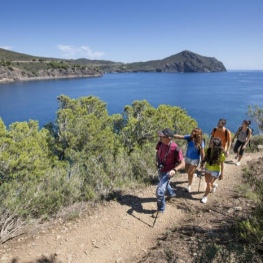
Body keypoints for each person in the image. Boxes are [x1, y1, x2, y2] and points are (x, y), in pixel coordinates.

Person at [152, 128, 185, 218]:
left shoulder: (176, 149)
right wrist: (157, 161)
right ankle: (171, 194)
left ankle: (160, 209)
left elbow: (183, 163)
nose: (160, 137)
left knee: (159, 191)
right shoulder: (160, 143)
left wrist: (174, 170)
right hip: (160, 169)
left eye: (162, 136)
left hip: (168, 172)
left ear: (169, 138)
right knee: (164, 184)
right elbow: (157, 152)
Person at [174, 128, 205, 192]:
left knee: (189, 172)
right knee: (187, 170)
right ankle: (193, 175)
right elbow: (180, 136)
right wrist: (171, 135)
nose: (192, 132)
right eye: (192, 131)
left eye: (194, 132)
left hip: (195, 159)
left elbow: (202, 152)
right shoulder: (189, 137)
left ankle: (189, 185)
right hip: (188, 157)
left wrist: (203, 162)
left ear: (198, 134)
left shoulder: (201, 141)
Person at [200, 137, 225, 203]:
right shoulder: (208, 150)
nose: (209, 143)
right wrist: (202, 163)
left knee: (208, 183)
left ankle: (205, 196)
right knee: (207, 181)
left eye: (211, 142)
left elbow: (222, 164)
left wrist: (222, 174)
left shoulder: (221, 154)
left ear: (215, 145)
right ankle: (213, 186)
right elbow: (205, 158)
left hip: (215, 171)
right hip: (207, 168)